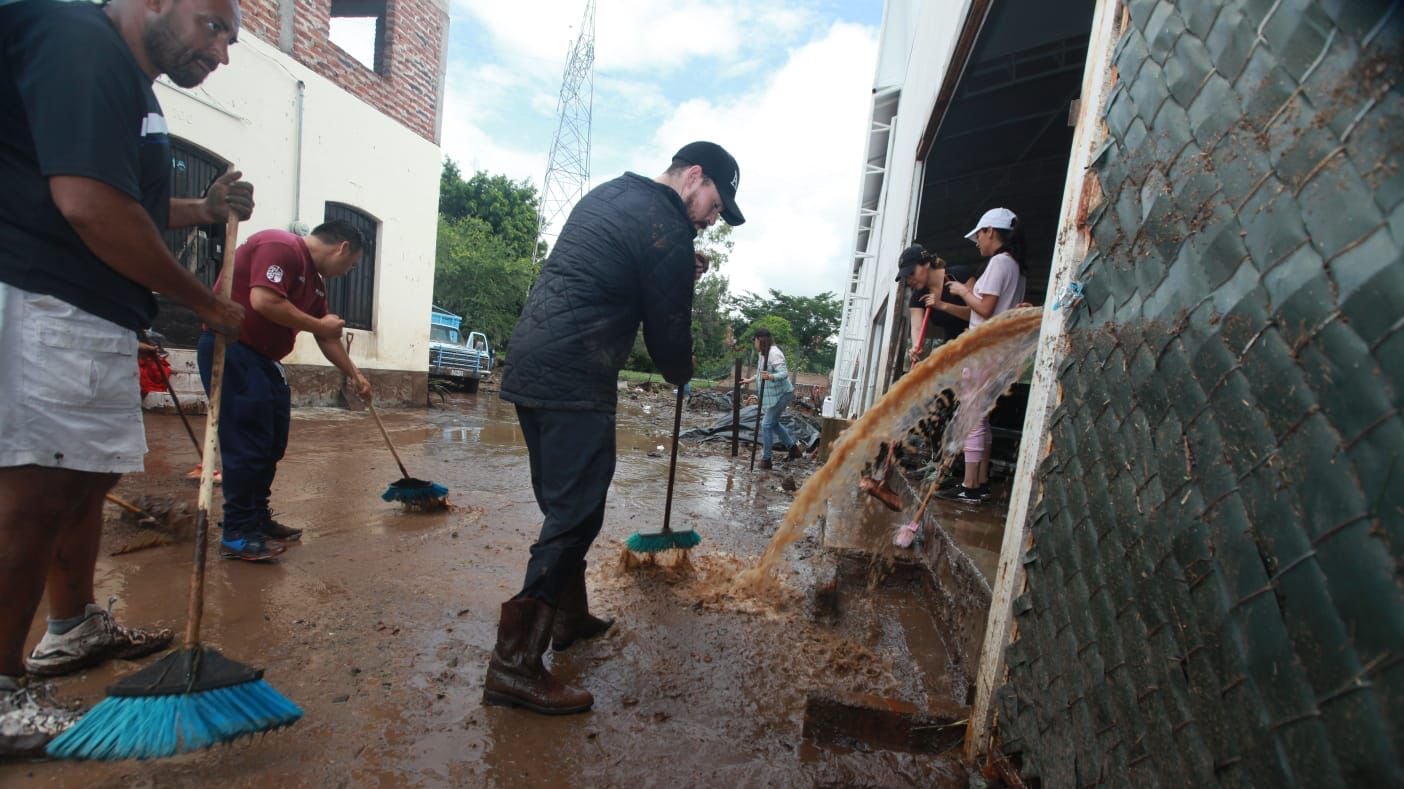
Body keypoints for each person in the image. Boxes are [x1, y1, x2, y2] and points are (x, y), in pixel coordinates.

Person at [0, 0, 248, 756]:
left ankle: (72, 626)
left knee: (85, 475)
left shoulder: (134, 87)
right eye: (214, 24)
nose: (224, 51)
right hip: (44, 292)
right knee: (35, 492)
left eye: (232, 38)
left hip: (93, 308)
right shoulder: (81, 42)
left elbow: (127, 199)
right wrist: (204, 300)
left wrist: (202, 209)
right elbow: (88, 203)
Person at [488, 141, 745, 715]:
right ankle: (513, 665)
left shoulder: (613, 193)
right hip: (575, 375)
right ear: (694, 177)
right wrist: (684, 371)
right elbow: (668, 337)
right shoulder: (668, 227)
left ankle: (570, 619)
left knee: (565, 506)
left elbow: (620, 265)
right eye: (714, 205)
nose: (710, 219)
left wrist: (681, 262)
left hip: (532, 365)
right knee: (576, 514)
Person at [197, 222, 372, 562]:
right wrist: (320, 325)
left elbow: (326, 336)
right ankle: (236, 533)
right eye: (351, 265)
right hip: (233, 349)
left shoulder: (316, 285)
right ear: (342, 248)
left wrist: (354, 374)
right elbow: (263, 301)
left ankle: (256, 518)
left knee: (271, 443)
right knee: (247, 443)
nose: (346, 272)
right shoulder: (282, 246)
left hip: (265, 360)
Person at [940, 207, 1027, 503]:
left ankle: (970, 486)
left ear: (990, 231)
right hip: (999, 351)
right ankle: (981, 481)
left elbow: (985, 309)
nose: (977, 242)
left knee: (972, 416)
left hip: (985, 351)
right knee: (982, 417)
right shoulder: (1015, 266)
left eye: (979, 235)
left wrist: (963, 292)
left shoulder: (999, 263)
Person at [895, 243, 976, 364]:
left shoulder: (959, 275)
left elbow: (978, 313)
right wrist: (916, 347)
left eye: (912, 273)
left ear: (927, 263)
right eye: (906, 277)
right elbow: (917, 328)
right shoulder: (917, 297)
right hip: (955, 350)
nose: (909, 280)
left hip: (978, 339)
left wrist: (942, 305)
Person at [740, 328, 801, 469]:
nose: (754, 343)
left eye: (754, 340)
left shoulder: (774, 353)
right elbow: (762, 373)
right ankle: (793, 449)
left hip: (783, 394)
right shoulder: (763, 354)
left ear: (760, 340)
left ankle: (766, 460)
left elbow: (784, 373)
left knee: (766, 424)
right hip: (775, 395)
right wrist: (749, 380)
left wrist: (771, 376)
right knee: (773, 424)